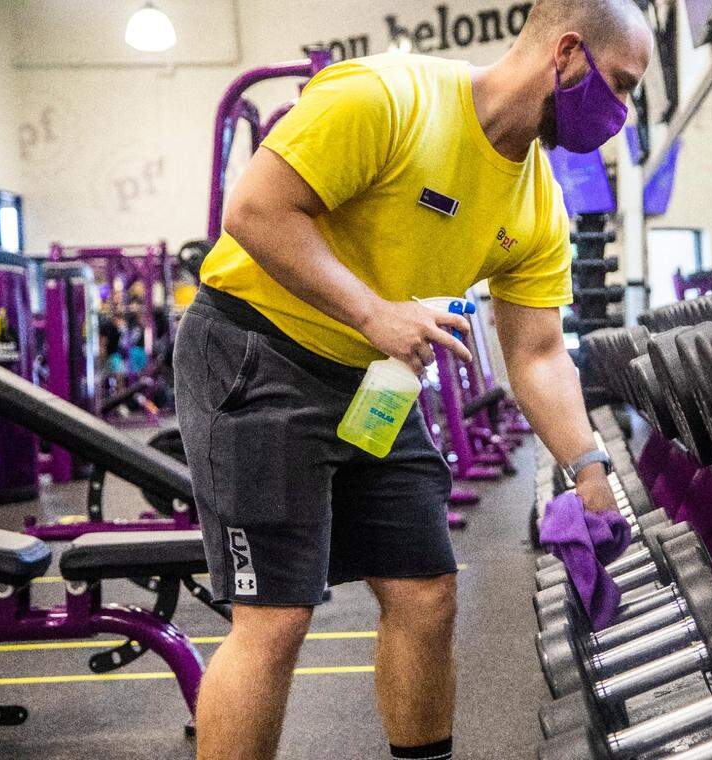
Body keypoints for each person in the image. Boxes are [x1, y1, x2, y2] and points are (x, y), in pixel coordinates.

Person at [172, 1, 653, 758]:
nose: (620, 113)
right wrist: (372, 312)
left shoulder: (536, 206)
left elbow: (536, 353)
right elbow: (257, 211)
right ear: (566, 54)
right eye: (620, 85)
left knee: (426, 593)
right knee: (276, 617)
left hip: (380, 383)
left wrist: (589, 470)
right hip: (259, 352)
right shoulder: (387, 98)